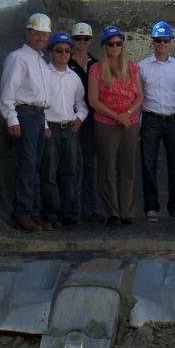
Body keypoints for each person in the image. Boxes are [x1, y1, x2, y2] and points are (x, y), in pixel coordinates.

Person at [0, 12, 53, 232]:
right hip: (25, 116)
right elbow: (7, 92)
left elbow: (41, 97)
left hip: (38, 117)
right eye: (37, 33)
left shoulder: (41, 62)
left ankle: (34, 213)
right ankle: (22, 214)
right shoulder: (18, 58)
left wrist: (45, 124)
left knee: (36, 167)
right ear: (28, 33)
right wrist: (11, 118)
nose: (41, 38)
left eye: (45, 34)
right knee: (28, 166)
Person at [88, 25, 143, 226]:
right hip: (105, 124)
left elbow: (140, 96)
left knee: (127, 168)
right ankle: (113, 212)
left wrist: (127, 114)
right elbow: (94, 100)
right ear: (104, 46)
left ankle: (127, 211)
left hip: (129, 123)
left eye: (118, 44)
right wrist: (116, 116)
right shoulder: (96, 69)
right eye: (111, 44)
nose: (115, 47)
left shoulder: (133, 68)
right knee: (107, 168)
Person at [138, 21, 175, 222]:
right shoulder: (142, 66)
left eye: (166, 40)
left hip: (174, 121)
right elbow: (139, 98)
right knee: (148, 166)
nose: (162, 44)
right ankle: (151, 208)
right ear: (152, 42)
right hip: (150, 120)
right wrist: (137, 125)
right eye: (158, 40)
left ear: (171, 42)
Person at [41, 31, 88, 228]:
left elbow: (81, 103)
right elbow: (37, 104)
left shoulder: (74, 78)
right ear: (51, 51)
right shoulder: (42, 75)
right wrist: (44, 125)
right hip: (50, 129)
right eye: (58, 50)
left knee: (71, 172)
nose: (63, 54)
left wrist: (79, 117)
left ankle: (70, 213)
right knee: (49, 173)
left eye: (67, 50)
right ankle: (51, 214)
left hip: (69, 129)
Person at [68, 22, 103, 223]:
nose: (81, 41)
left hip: (92, 121)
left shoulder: (96, 65)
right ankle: (72, 209)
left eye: (85, 38)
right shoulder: (64, 60)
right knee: (72, 166)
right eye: (78, 38)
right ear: (73, 40)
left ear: (90, 40)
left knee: (90, 164)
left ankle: (89, 209)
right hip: (70, 120)